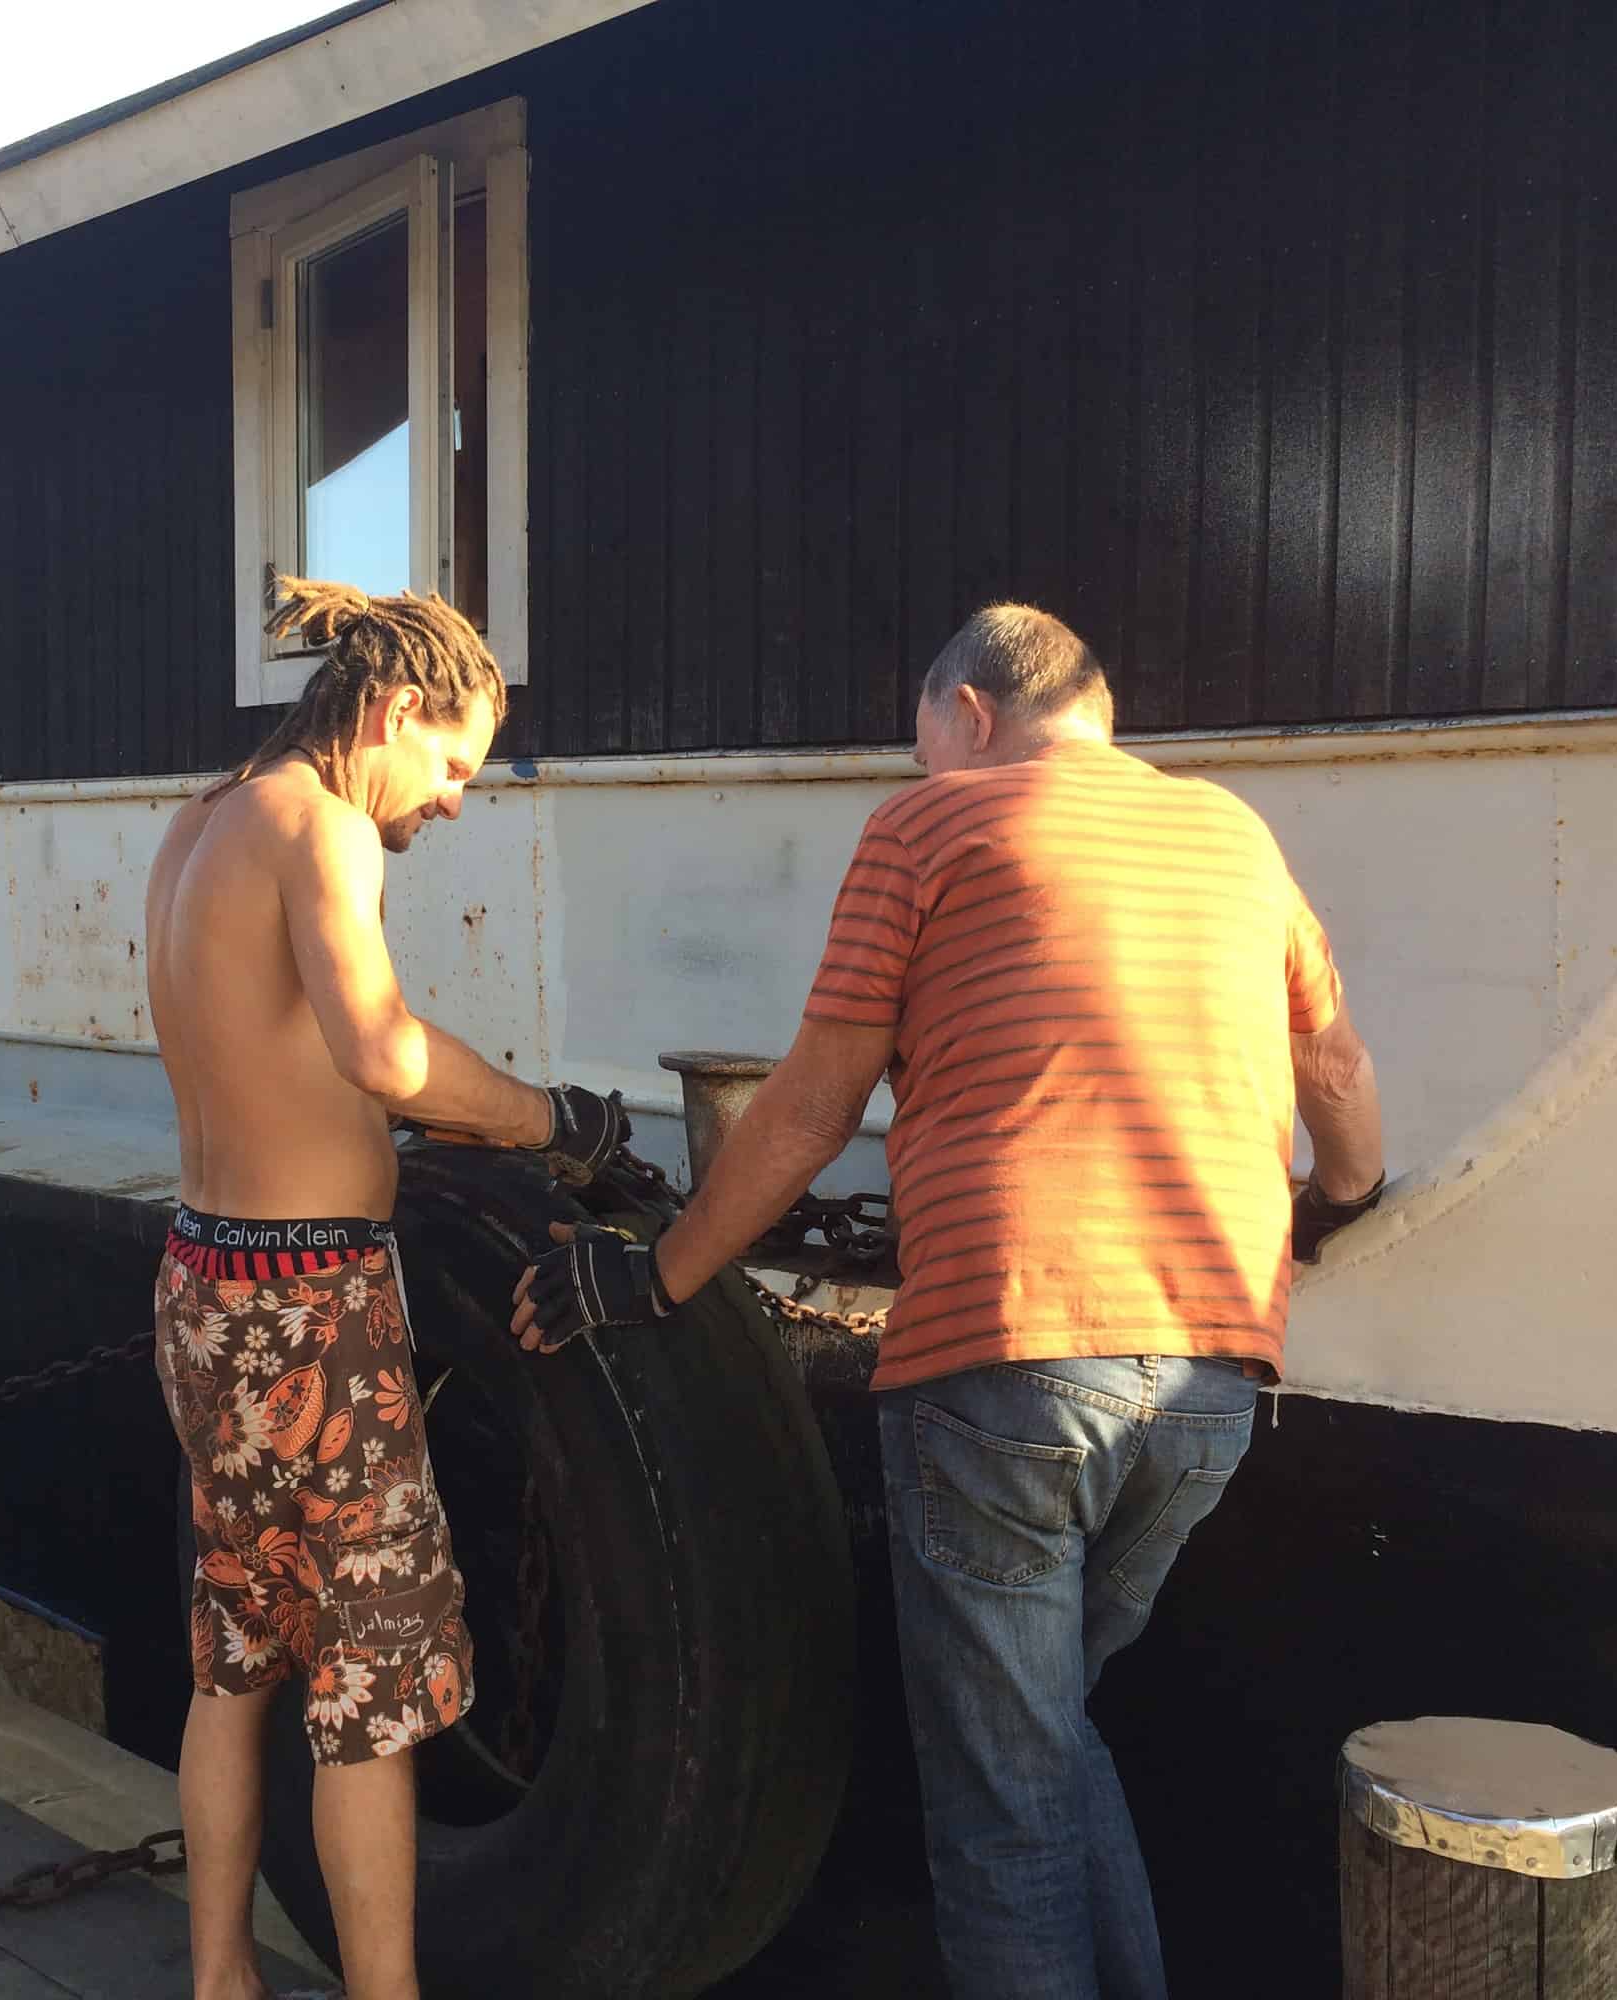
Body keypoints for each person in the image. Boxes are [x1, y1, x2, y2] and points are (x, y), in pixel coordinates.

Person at [512, 602, 1385, 1998]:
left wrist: (660, 1268)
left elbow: (807, 1109)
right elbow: (1335, 1081)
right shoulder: (1233, 834)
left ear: (969, 714)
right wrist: (1340, 1204)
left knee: (1000, 1812)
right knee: (1040, 1733)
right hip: (1217, 1375)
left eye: (927, 748)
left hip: (1011, 1361)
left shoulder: (928, 829)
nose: (923, 774)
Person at [145, 575, 628, 2000]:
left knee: (236, 1655)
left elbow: (269, 1055)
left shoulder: (202, 825)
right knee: (371, 1689)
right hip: (311, 1309)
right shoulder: (321, 825)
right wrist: (553, 1120)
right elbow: (382, 1053)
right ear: (393, 711)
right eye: (457, 763)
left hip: (202, 1283)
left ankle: (221, 1980)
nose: (458, 801)